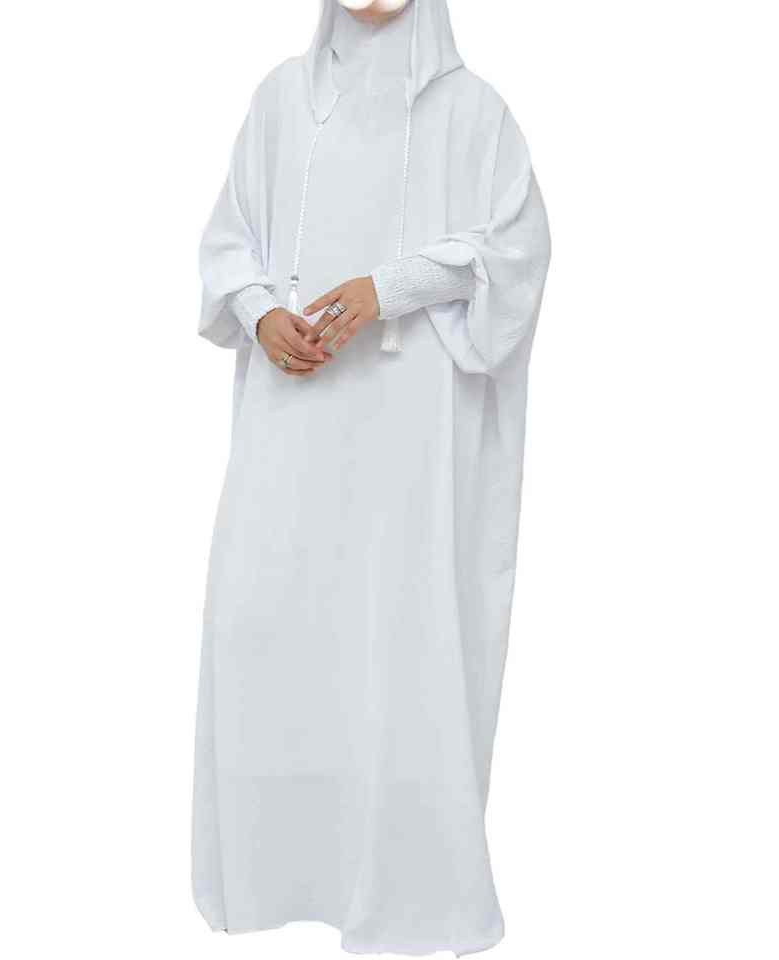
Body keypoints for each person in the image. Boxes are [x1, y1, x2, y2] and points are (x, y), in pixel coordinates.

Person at [192, 0, 550, 953]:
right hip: (291, 421)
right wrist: (261, 311)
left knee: (399, 635)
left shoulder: (475, 113)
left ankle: (409, 891)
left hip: (409, 438)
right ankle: (273, 868)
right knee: (268, 623)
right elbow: (227, 243)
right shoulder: (280, 101)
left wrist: (388, 287)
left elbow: (516, 253)